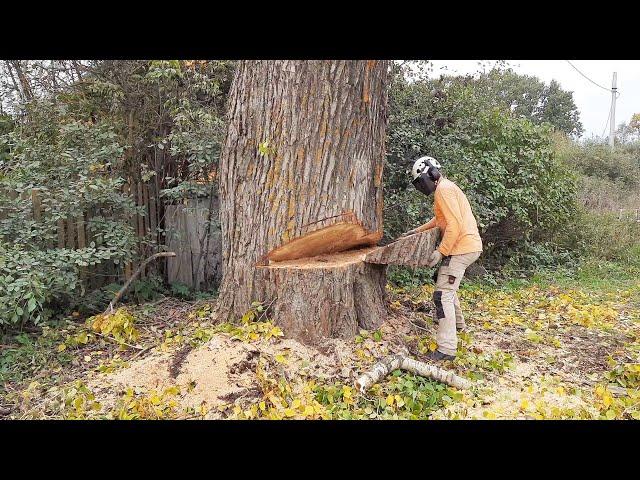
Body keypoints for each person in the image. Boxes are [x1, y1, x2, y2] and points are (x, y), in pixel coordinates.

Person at [402, 156, 483, 362]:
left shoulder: (444, 190)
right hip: (465, 246)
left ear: (431, 173)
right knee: (447, 287)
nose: (422, 186)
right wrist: (416, 231)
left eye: (421, 181)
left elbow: (454, 225)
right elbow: (440, 219)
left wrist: (440, 251)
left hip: (462, 247)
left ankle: (447, 349)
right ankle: (459, 328)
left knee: (442, 295)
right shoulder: (445, 188)